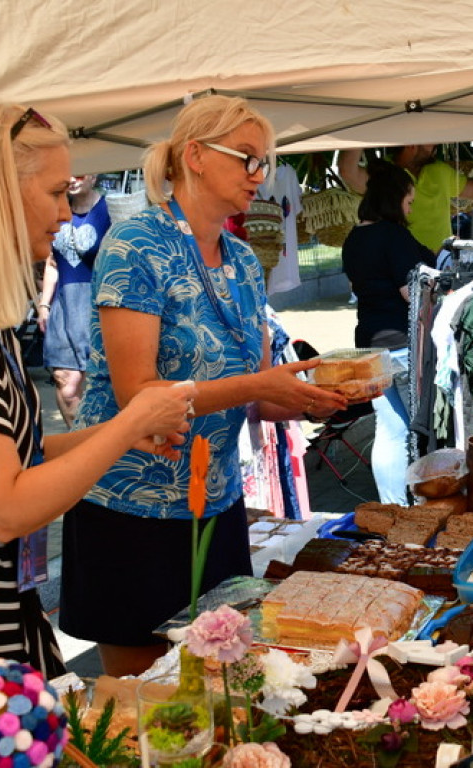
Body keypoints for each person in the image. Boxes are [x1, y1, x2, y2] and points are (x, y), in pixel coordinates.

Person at [59, 95, 347, 677]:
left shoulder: (242, 260)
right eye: (246, 158)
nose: (258, 175)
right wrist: (255, 386)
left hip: (213, 503)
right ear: (193, 155)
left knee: (216, 684)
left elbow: (256, 394)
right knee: (141, 693)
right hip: (129, 509)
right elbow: (137, 393)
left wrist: (314, 396)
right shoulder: (136, 245)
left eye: (262, 161)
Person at [0, 104, 196, 676]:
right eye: (56, 192)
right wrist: (131, 424)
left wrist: (118, 434)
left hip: (3, 631)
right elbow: (4, 510)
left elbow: (21, 455)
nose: (66, 214)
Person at [341, 160, 435, 503]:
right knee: (419, 428)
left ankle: (393, 506)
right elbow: (411, 294)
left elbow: (356, 285)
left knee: (390, 429)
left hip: (369, 345)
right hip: (402, 343)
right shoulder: (393, 235)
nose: (409, 209)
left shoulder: (354, 237)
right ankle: (424, 505)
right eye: (408, 202)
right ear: (395, 198)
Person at [337, 142, 473, 255]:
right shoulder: (383, 173)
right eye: (429, 140)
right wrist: (359, 133)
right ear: (411, 144)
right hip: (396, 262)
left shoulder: (440, 170)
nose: (435, 146)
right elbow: (347, 171)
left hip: (439, 264)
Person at [37, 174, 111, 427]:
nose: (73, 178)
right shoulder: (58, 209)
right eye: (70, 173)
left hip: (97, 304)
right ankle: (77, 439)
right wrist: (44, 304)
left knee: (99, 380)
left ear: (95, 174)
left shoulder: (109, 210)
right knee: (64, 380)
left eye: (81, 173)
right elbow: (52, 262)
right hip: (63, 304)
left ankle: (101, 446)